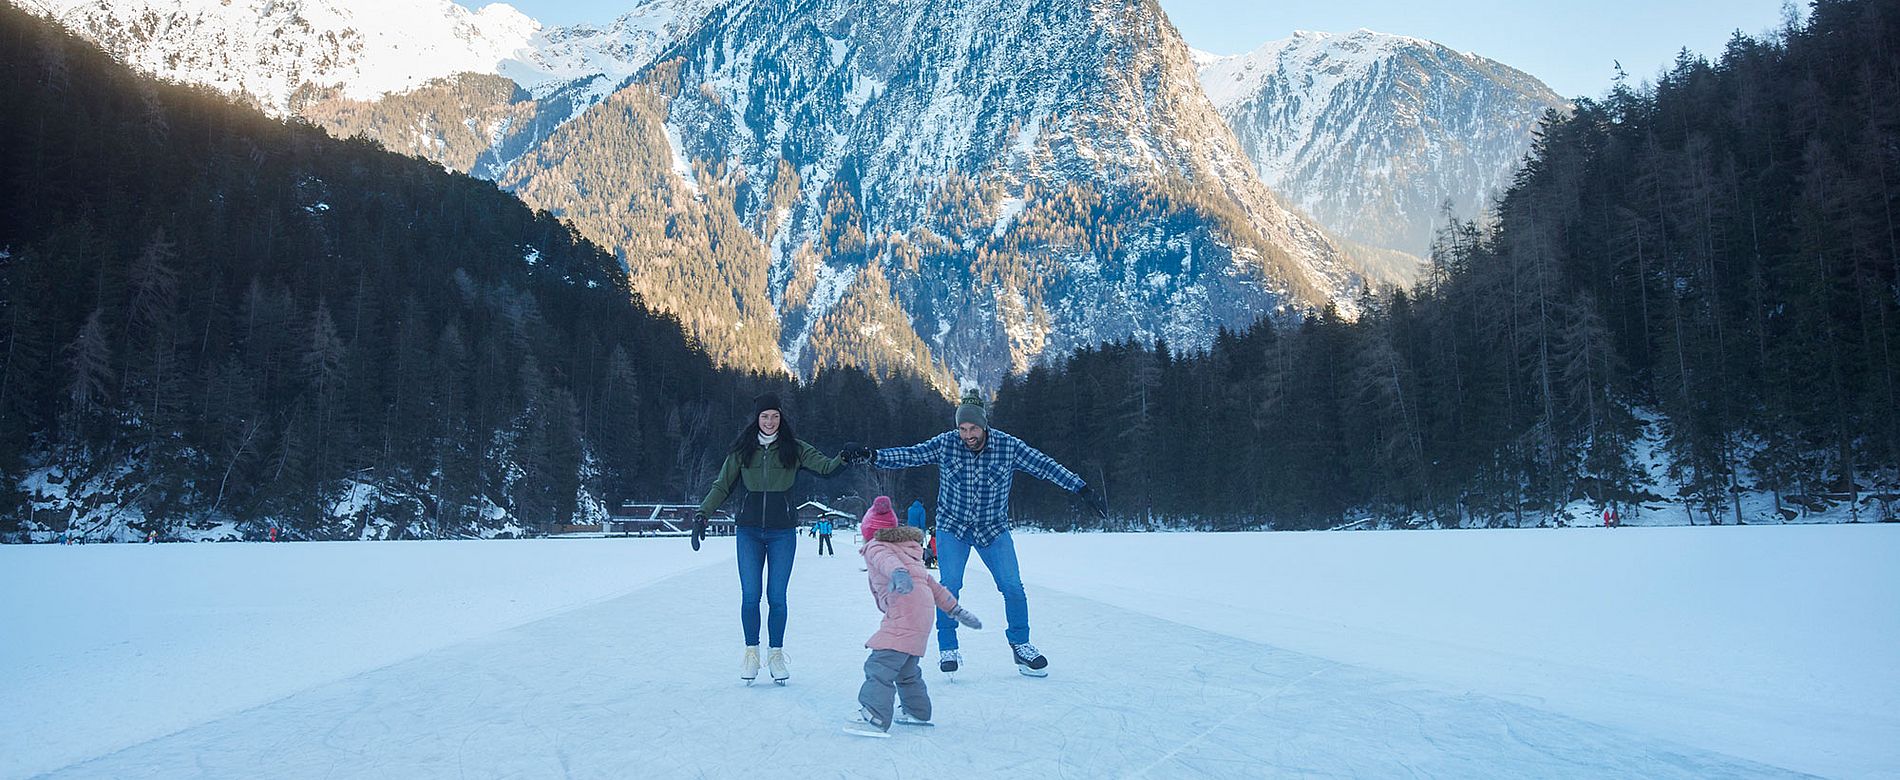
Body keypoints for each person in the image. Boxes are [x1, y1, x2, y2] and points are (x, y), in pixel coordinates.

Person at [843, 390, 1106, 678]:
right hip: (952, 527)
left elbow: (1044, 465)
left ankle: (1021, 644)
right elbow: (911, 454)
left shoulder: (1008, 447)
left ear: (984, 426)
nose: (967, 435)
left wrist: (1081, 488)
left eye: (973, 429)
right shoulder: (946, 444)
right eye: (962, 429)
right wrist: (873, 456)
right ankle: (949, 647)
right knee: (950, 585)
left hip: (993, 529)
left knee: (1012, 586)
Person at [693, 392, 850, 685]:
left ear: (781, 417)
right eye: (764, 416)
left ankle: (775, 655)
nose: (769, 421)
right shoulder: (742, 451)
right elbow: (721, 485)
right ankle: (751, 654)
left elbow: (827, 469)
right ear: (757, 418)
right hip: (749, 532)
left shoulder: (795, 449)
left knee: (777, 597)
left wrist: (845, 457)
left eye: (774, 416)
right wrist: (703, 514)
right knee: (751, 596)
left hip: (782, 533)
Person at [845, 505, 982, 737]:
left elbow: (884, 560)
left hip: (904, 608)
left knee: (880, 665)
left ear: (870, 530)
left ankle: (874, 715)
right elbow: (935, 587)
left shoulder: (877, 546)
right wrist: (955, 609)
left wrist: (898, 573)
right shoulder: (909, 552)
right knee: (906, 669)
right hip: (922, 616)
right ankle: (917, 712)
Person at [906, 500, 936, 569]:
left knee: (911, 544)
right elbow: (922, 521)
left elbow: (909, 519)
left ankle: (910, 559)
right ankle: (918, 559)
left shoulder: (910, 509)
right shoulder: (921, 510)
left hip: (910, 529)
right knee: (919, 545)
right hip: (918, 529)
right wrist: (923, 528)